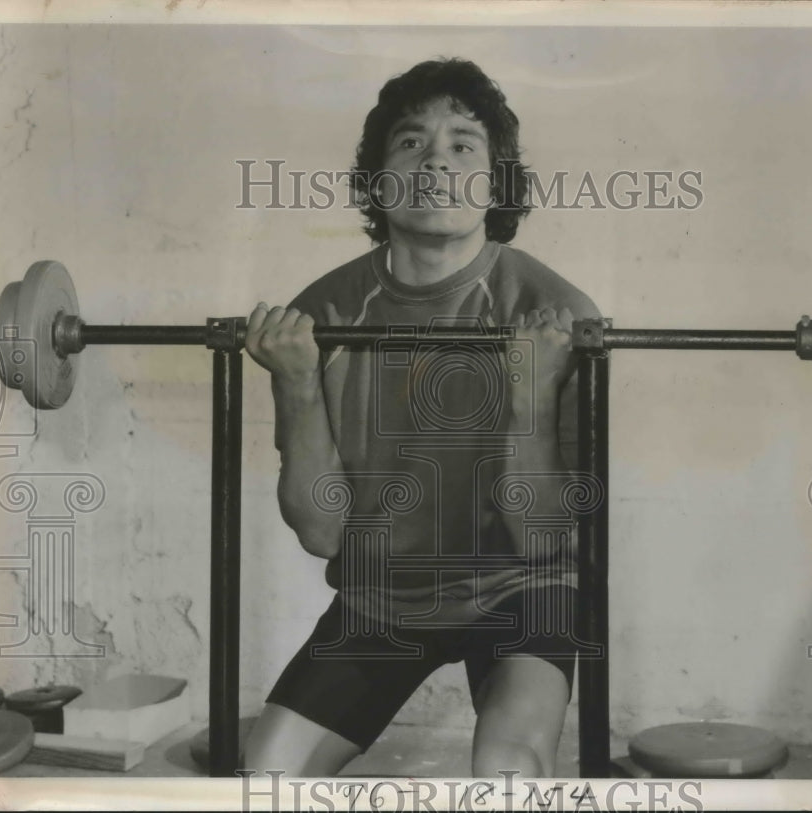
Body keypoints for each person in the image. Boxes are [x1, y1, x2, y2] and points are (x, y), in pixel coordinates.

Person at [243, 57, 600, 778]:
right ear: (377, 180)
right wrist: (299, 387)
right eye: (411, 143)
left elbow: (540, 538)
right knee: (269, 772)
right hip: (384, 594)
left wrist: (530, 395)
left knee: (508, 767)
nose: (436, 160)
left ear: (495, 183)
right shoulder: (324, 317)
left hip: (521, 589)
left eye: (464, 144)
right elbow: (322, 533)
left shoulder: (554, 313)